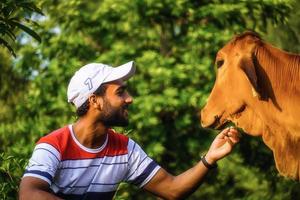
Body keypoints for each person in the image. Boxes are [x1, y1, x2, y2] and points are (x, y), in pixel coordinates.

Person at [19, 61, 240, 200]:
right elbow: (28, 193)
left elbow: (172, 189)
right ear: (95, 100)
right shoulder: (53, 145)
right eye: (120, 93)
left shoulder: (125, 149)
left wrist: (209, 158)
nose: (129, 99)